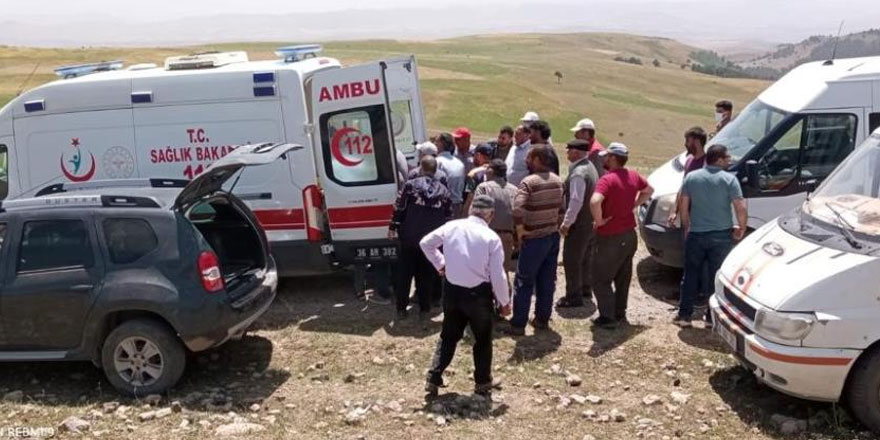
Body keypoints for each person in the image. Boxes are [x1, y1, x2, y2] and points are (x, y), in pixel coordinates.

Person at [420, 195, 512, 397]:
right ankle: (482, 382)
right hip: (478, 294)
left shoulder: (452, 226)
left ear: (470, 209)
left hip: (452, 290)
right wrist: (504, 302)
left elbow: (426, 243)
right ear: (491, 215)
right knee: (482, 339)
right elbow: (498, 274)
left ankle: (434, 376)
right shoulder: (491, 238)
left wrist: (440, 263)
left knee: (448, 336)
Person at [673, 144, 747, 327]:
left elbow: (683, 204)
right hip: (721, 235)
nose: (729, 160)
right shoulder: (729, 180)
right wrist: (742, 227)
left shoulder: (692, 177)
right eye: (727, 158)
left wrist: (687, 225)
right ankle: (710, 317)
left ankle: (684, 316)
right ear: (719, 159)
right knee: (716, 277)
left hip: (696, 233)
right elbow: (740, 206)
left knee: (690, 275)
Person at [589, 143, 654, 328]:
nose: (604, 159)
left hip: (610, 237)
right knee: (622, 277)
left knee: (600, 278)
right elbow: (649, 190)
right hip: (629, 235)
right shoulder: (633, 175)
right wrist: (634, 205)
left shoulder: (607, 180)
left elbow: (595, 201)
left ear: (613, 158)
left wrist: (599, 220)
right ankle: (619, 313)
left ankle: (607, 317)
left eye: (606, 156)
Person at [507, 146, 565, 335]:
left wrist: (521, 232)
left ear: (539, 159)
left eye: (530, 157)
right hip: (552, 238)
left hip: (533, 240)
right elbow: (561, 210)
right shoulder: (558, 181)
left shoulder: (528, 182)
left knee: (523, 282)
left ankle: (518, 324)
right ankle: (541, 319)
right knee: (547, 281)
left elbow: (517, 209)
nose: (527, 160)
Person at [388, 156, 453, 321]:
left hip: (409, 238)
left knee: (404, 275)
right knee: (426, 275)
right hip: (431, 242)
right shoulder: (444, 191)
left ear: (421, 168)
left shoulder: (410, 187)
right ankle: (425, 308)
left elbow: (399, 208)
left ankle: (401, 309)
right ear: (436, 170)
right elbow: (448, 216)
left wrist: (393, 227)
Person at [557, 139, 599, 308]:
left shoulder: (578, 173)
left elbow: (575, 201)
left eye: (569, 150)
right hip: (590, 222)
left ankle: (573, 296)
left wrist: (566, 223)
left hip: (579, 223)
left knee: (572, 259)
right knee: (586, 257)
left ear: (575, 152)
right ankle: (585, 289)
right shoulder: (590, 167)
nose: (567, 153)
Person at [473, 159, 518, 272]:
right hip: (507, 238)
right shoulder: (515, 190)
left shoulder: (483, 187)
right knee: (502, 274)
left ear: (491, 171)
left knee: (483, 273)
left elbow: (476, 211)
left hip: (486, 236)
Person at [435, 132, 466, 214]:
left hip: (443, 206)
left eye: (436, 142)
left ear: (441, 144)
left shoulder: (438, 162)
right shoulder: (459, 163)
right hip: (457, 205)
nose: (435, 144)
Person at [463, 143, 494, 211]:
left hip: (477, 211)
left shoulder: (473, 173)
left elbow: (469, 197)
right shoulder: (497, 171)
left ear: (478, 155)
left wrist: (463, 214)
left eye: (474, 155)